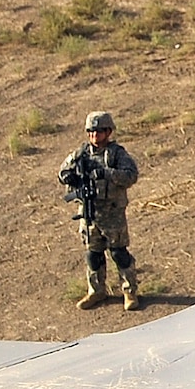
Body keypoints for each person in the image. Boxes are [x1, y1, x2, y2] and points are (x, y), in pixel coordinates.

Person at [59, 110, 143, 311]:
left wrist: (106, 173)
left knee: (119, 253)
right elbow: (63, 171)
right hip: (89, 212)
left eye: (99, 132)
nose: (95, 136)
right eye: (91, 132)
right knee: (93, 254)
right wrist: (68, 177)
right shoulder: (81, 154)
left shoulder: (116, 154)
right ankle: (96, 291)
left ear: (108, 132)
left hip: (112, 212)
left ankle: (130, 292)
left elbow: (131, 175)